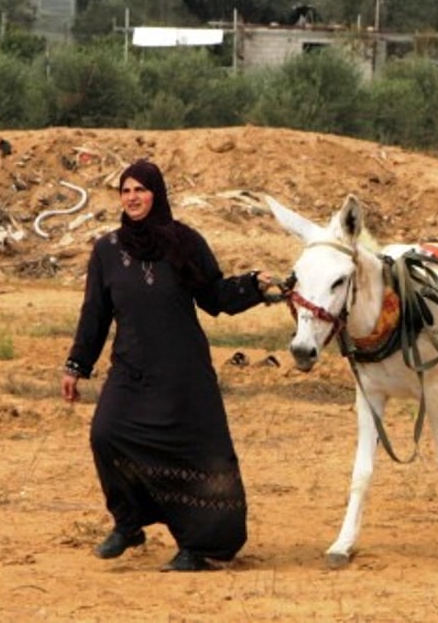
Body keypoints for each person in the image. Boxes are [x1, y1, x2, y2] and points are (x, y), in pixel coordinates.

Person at [60, 160, 277, 573]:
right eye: (125, 191)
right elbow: (95, 314)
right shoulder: (107, 250)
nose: (132, 197)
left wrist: (252, 284)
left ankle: (198, 546)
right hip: (132, 368)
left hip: (184, 374)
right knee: (105, 434)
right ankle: (129, 523)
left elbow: (214, 296)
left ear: (155, 194)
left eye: (140, 190)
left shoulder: (184, 242)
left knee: (196, 456)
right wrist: (76, 365)